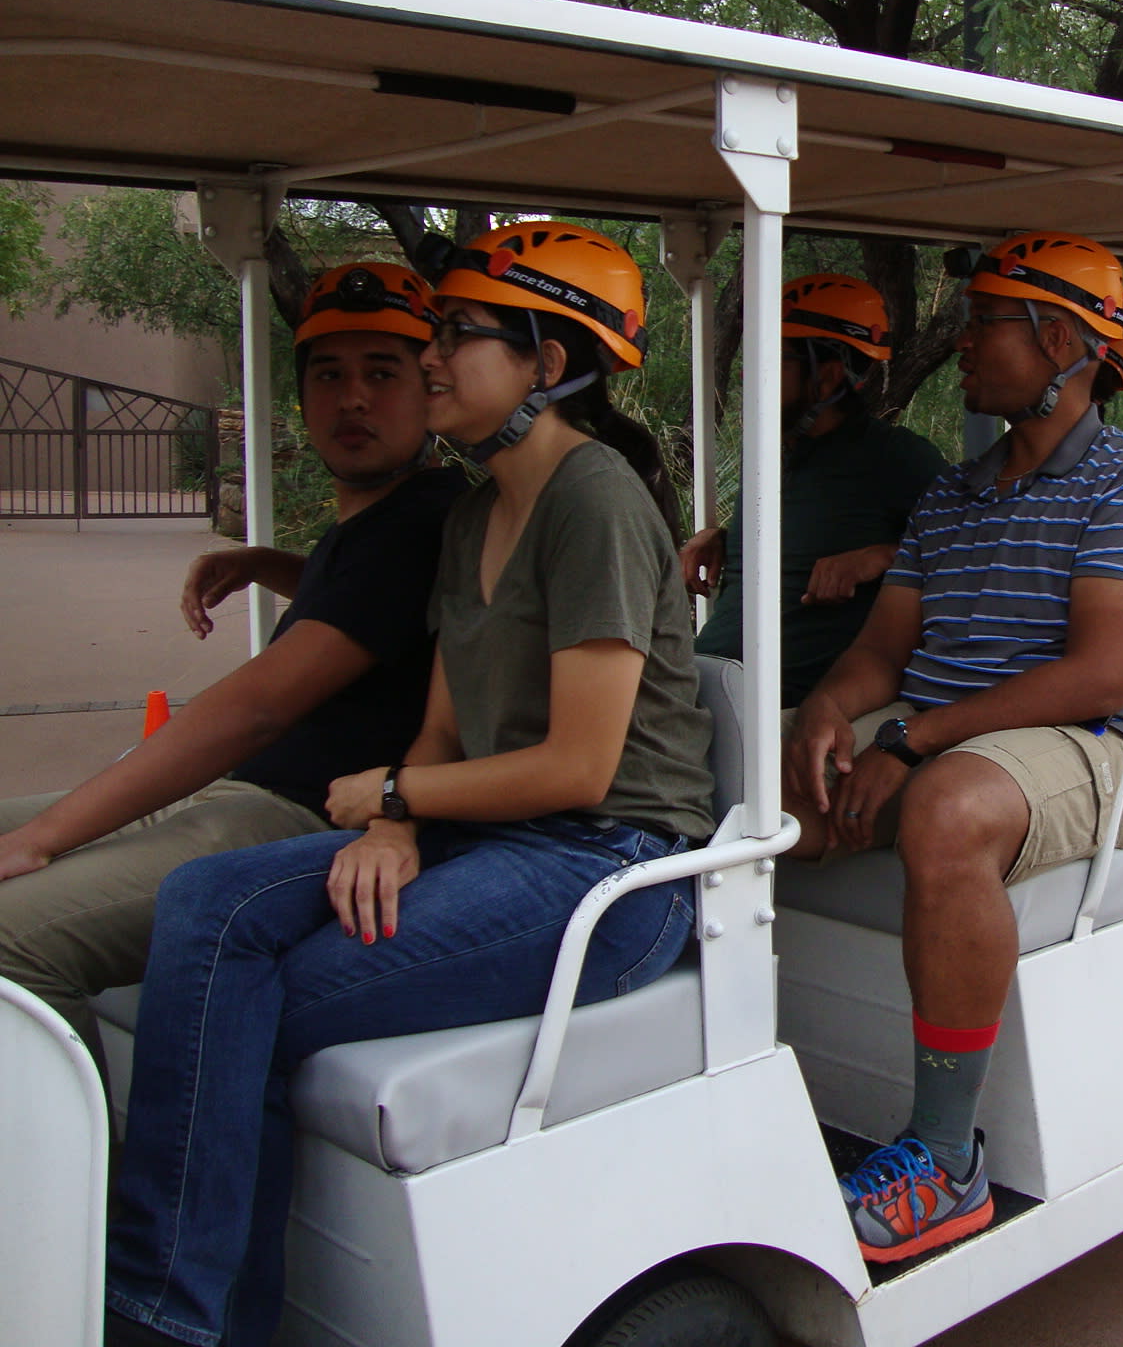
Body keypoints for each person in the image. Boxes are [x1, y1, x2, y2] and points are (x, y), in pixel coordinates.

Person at [103, 223, 716, 1347]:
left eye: (459, 335)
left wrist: (395, 799)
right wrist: (395, 818)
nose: (431, 357)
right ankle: (180, 1309)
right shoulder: (475, 508)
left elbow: (583, 767)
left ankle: (175, 1320)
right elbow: (442, 717)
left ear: (548, 362)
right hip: (499, 842)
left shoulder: (597, 502)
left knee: (248, 999)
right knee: (204, 907)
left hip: (610, 871)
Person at [783, 231, 1123, 1265]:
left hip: (1099, 745)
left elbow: (1100, 677)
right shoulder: (953, 494)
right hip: (955, 734)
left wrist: (914, 743)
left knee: (946, 808)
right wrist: (827, 713)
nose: (961, 347)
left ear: (1059, 339)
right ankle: (746, 1085)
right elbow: (884, 649)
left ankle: (945, 1157)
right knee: (752, 805)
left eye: (983, 327)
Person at [0, 263, 464, 1056]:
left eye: (382, 374)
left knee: (12, 939)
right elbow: (368, 613)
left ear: (431, 390)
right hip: (238, 797)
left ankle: (77, 1176)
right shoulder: (379, 523)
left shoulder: (419, 524)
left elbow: (257, 709)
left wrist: (44, 836)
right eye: (329, 374)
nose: (353, 398)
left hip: (298, 817)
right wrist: (271, 565)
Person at [685, 273, 947, 704]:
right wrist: (725, 539)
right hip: (709, 690)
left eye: (771, 360)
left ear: (826, 377)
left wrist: (884, 557)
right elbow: (806, 534)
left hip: (791, 713)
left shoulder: (897, 459)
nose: (751, 376)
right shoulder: (769, 456)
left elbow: (969, 557)